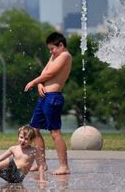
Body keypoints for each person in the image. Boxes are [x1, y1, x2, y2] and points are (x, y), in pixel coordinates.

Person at [24, 32, 72, 175]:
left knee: (55, 132)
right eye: (50, 49)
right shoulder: (55, 55)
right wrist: (40, 85)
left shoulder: (65, 56)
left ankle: (64, 166)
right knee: (35, 129)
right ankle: (42, 164)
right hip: (44, 96)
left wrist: (34, 82)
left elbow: (51, 74)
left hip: (53, 97)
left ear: (61, 45)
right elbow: (45, 71)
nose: (51, 52)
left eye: (52, 48)